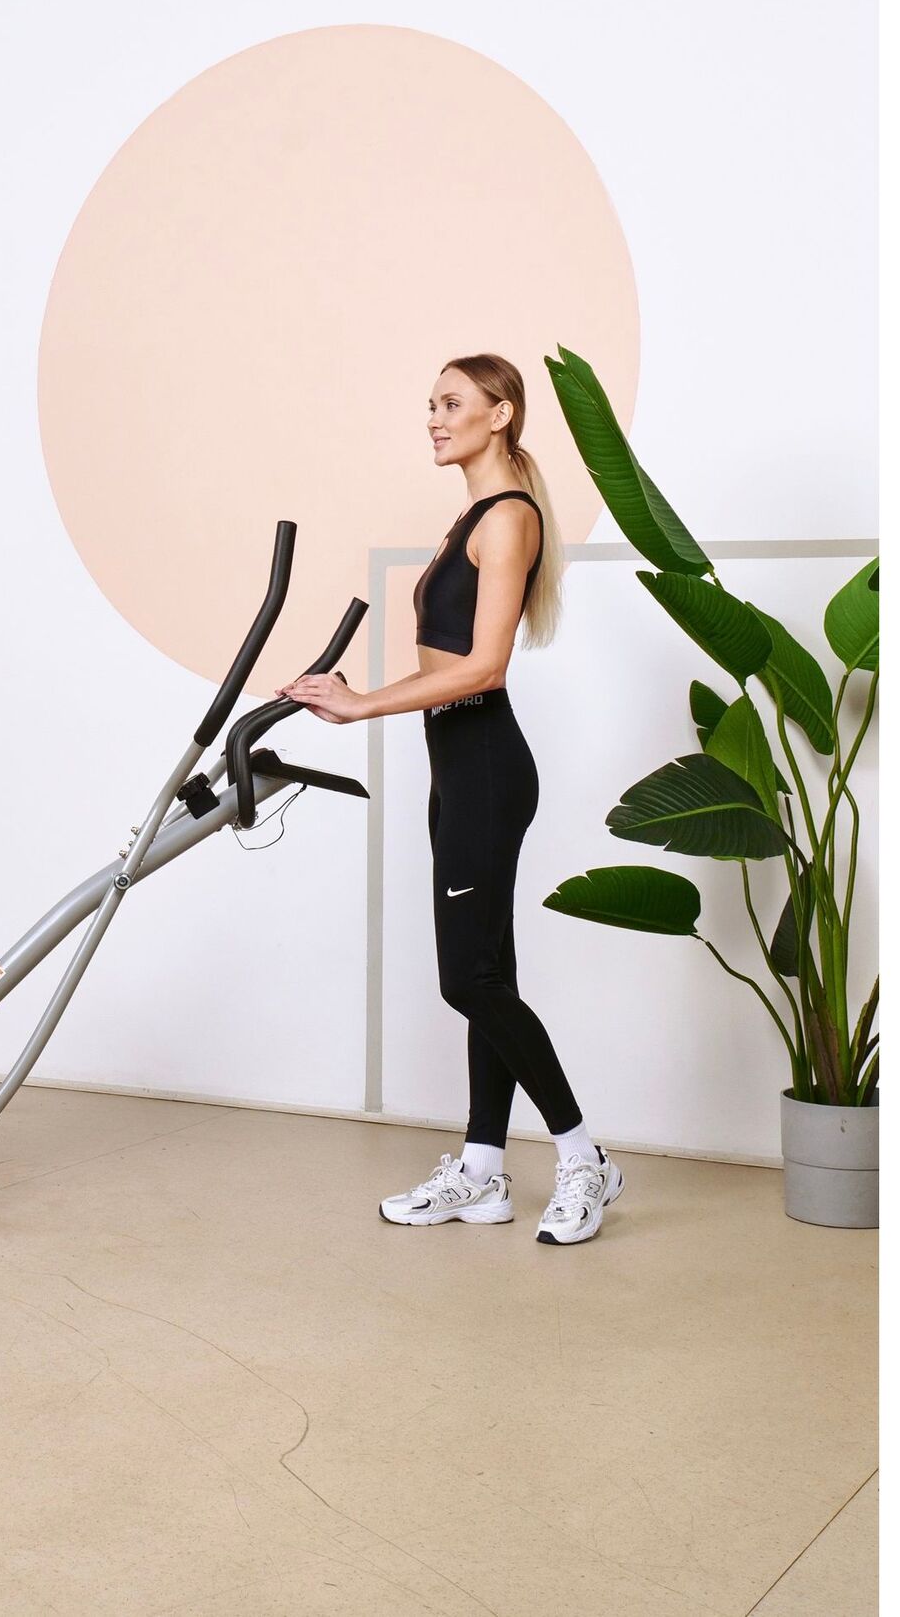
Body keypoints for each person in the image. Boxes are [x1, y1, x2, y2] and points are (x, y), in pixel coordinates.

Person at [279, 353, 622, 1245]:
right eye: (430, 403)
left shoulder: (507, 519)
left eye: (452, 402)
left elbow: (484, 667)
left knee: (466, 979)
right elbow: (448, 663)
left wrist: (362, 704)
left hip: (488, 768)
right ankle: (482, 1171)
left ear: (500, 414)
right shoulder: (468, 518)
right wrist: (348, 692)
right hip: (458, 768)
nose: (434, 417)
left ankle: (584, 1156)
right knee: (488, 978)